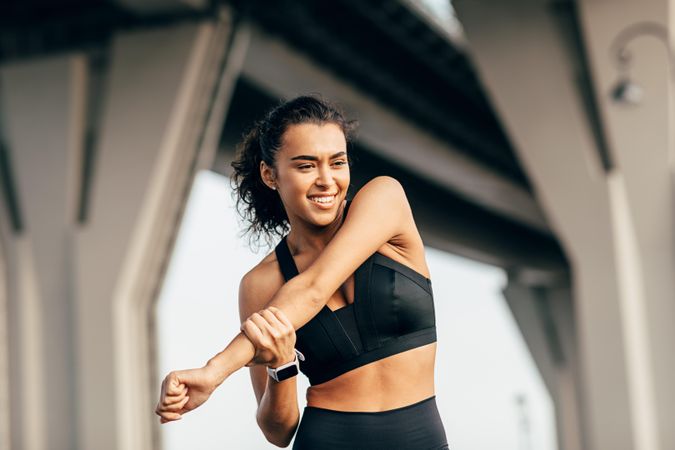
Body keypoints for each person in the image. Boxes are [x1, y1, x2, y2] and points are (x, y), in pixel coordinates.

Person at [155, 95, 449, 449]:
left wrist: (213, 372)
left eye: (337, 162)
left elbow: (313, 288)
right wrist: (281, 366)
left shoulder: (385, 200)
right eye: (306, 166)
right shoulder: (261, 283)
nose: (327, 180)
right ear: (270, 174)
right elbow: (278, 432)